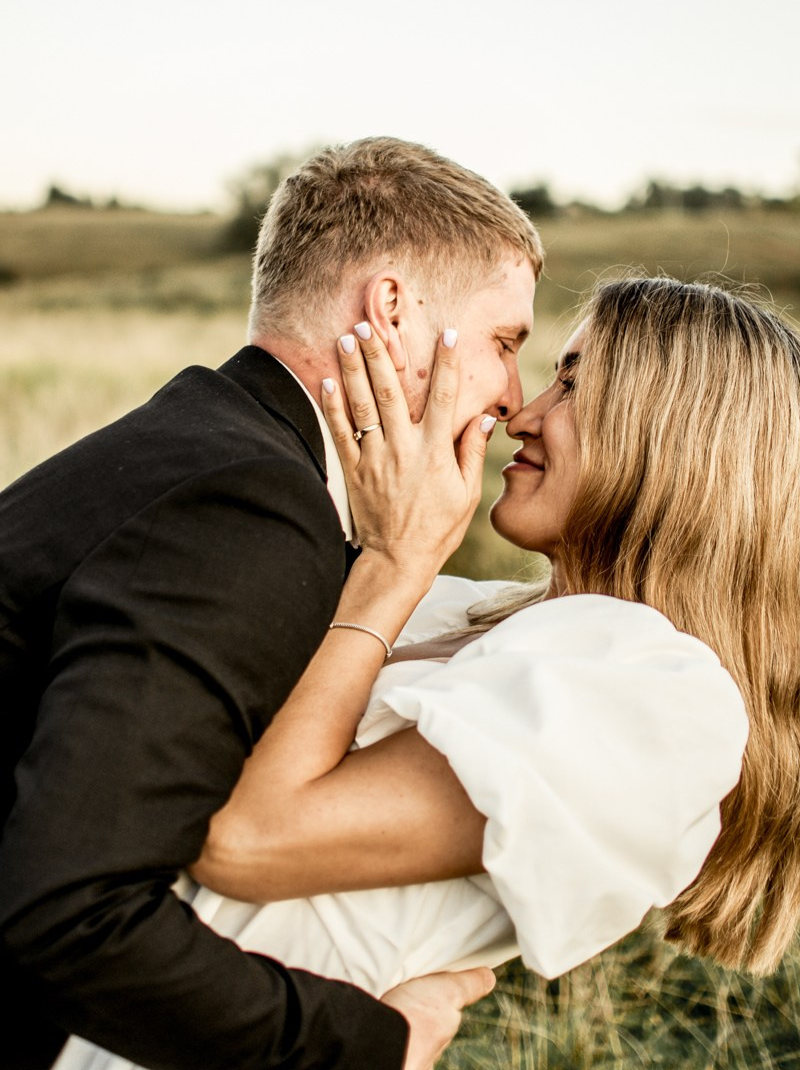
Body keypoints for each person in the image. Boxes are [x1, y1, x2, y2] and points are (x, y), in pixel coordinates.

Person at [58, 274, 797, 1070]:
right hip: (96, 996)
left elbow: (247, 841)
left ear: (677, 440)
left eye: (577, 385)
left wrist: (395, 560)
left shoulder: (661, 698)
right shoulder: (466, 610)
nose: (525, 411)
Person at [0, 137, 543, 1070]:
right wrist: (372, 1046)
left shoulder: (211, 440)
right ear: (393, 309)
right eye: (505, 343)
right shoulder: (252, 507)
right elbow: (71, 909)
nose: (514, 397)